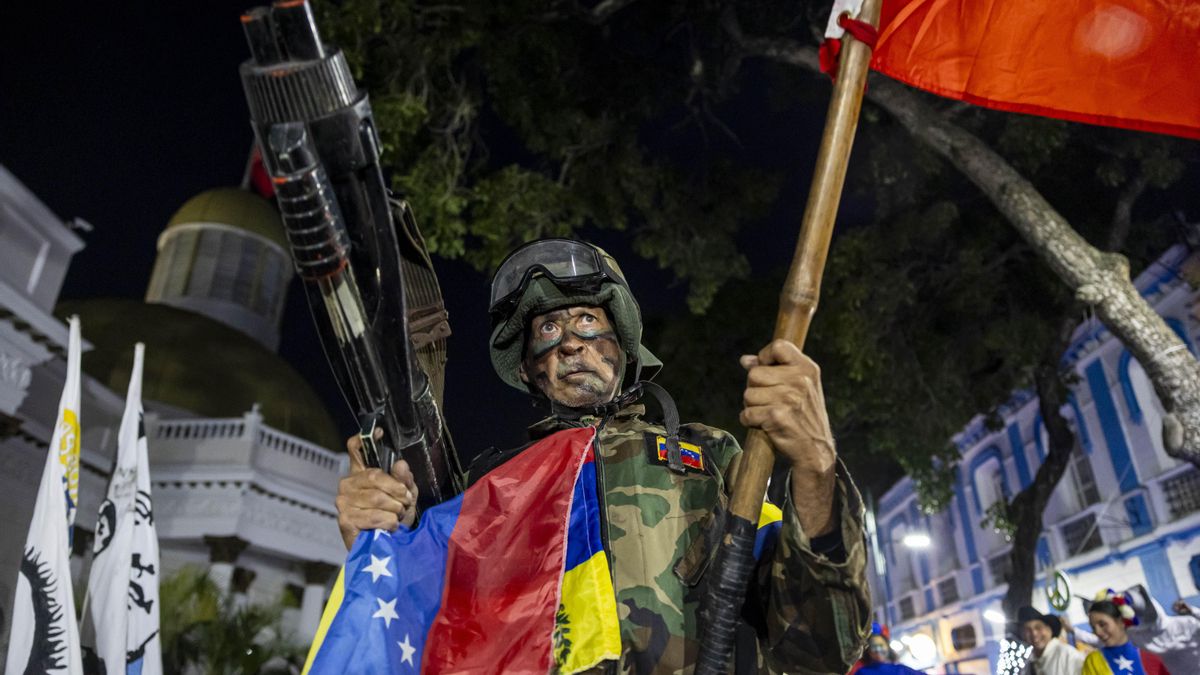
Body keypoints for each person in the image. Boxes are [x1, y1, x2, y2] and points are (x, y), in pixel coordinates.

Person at [334, 238, 871, 673]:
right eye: (548, 328)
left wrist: (815, 465)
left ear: (623, 344)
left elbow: (823, 646)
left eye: (587, 321)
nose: (570, 342)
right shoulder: (487, 486)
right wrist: (380, 535)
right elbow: (428, 629)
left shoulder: (713, 457)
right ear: (527, 369)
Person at [1082, 600, 1170, 675]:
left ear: (1120, 621)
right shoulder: (1093, 661)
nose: (1098, 632)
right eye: (1093, 627)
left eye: (1102, 624)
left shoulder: (1150, 650)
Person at [1018, 606, 1084, 675]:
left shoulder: (1069, 655)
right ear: (1022, 634)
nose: (1034, 634)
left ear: (1049, 629)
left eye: (1038, 627)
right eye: (1027, 630)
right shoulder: (1027, 664)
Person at [848, 624, 925, 674]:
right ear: (868, 651)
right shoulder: (862, 672)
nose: (878, 650)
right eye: (874, 646)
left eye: (881, 645)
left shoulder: (901, 670)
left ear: (887, 647)